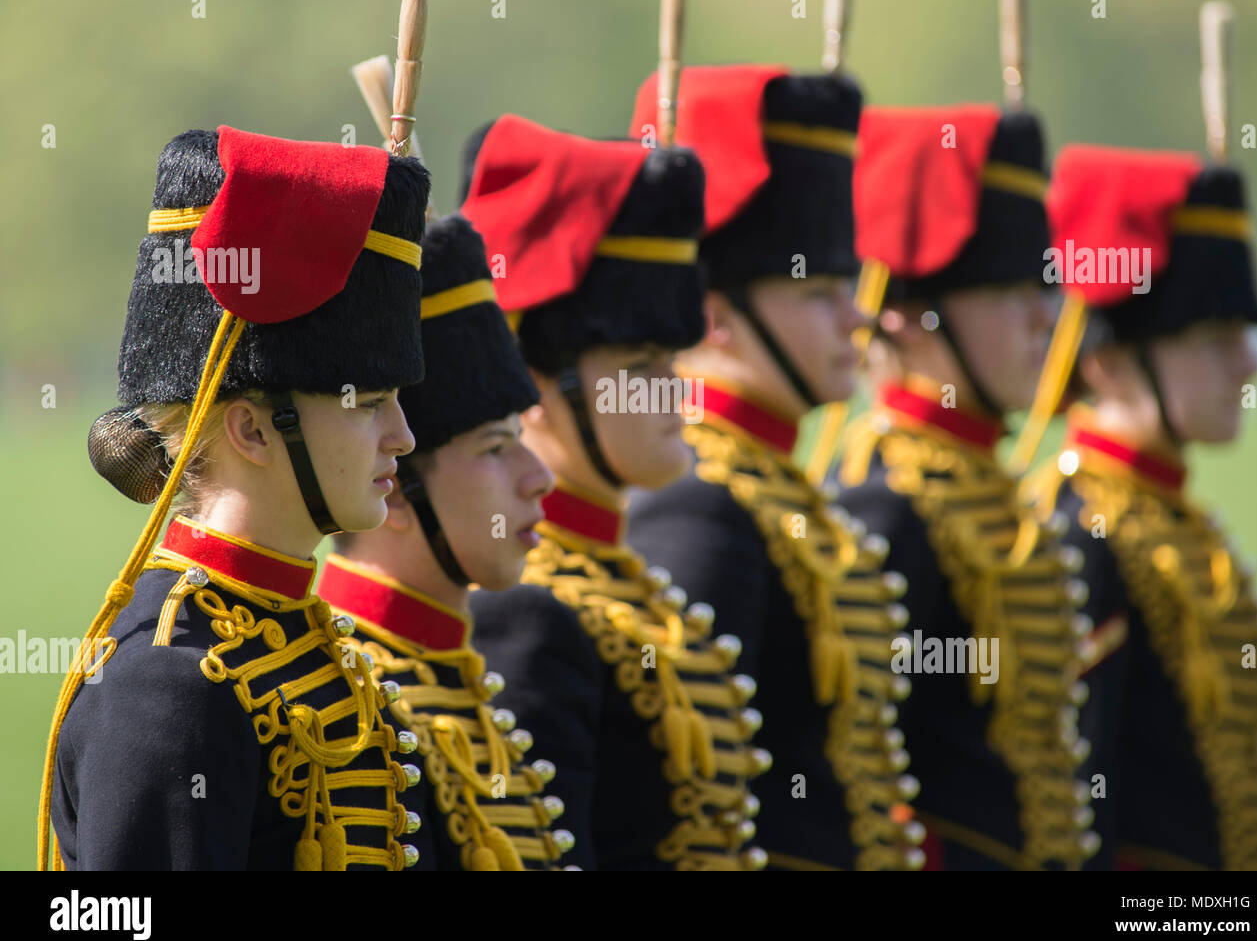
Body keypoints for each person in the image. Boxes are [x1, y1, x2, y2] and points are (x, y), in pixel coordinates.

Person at [41, 126, 430, 870]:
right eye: (368, 401)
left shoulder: (304, 640)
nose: (403, 436)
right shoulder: (165, 687)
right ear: (252, 428)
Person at [624, 66, 924, 872]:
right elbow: (692, 808)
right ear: (717, 316)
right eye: (823, 291)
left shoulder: (780, 489)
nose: (858, 316)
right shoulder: (697, 504)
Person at [462, 114, 770, 871]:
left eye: (673, 362)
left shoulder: (630, 580)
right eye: (641, 369)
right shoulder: (523, 609)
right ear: (534, 384)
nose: (676, 395)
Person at [826, 105, 1099, 869]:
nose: (1046, 320)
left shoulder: (994, 494)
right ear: (913, 316)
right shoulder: (883, 505)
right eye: (1013, 293)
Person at [1022, 144, 1257, 870]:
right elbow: (1075, 821)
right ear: (1108, 361)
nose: (1250, 363)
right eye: (1213, 339)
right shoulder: (1079, 534)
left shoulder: (1171, 519)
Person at [318, 212, 579, 869]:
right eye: (496, 449)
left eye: (522, 439)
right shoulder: (343, 707)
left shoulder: (458, 676)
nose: (538, 477)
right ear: (397, 488)